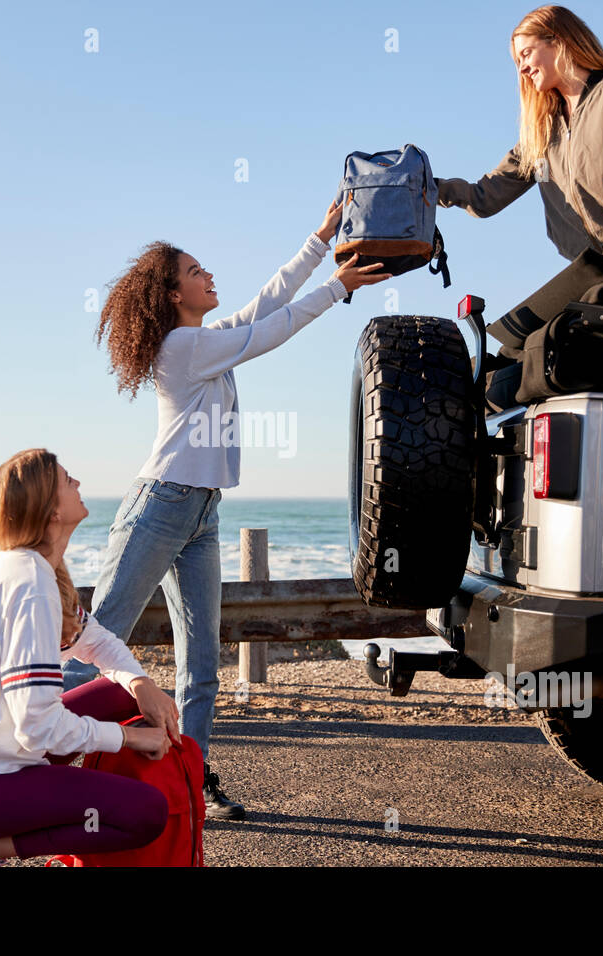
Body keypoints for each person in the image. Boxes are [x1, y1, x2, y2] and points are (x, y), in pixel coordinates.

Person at [60, 198, 390, 819]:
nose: (210, 276)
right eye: (196, 271)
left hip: (201, 513)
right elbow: (271, 331)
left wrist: (319, 242)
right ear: (172, 293)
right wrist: (338, 289)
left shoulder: (204, 340)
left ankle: (191, 781)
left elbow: (265, 304)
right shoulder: (183, 347)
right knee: (99, 638)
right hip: (159, 505)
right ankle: (40, 752)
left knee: (202, 665)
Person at [0, 448, 184, 866]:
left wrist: (140, 683)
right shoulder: (29, 582)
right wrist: (130, 738)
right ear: (49, 512)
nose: (77, 482)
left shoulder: (35, 569)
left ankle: (74, 794)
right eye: (65, 480)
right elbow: (37, 728)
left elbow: (94, 639)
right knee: (145, 814)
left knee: (123, 696)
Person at [435, 5, 603, 310]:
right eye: (516, 61)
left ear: (558, 41)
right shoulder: (542, 131)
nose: (521, 68)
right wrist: (430, 189)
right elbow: (484, 197)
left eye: (526, 54)